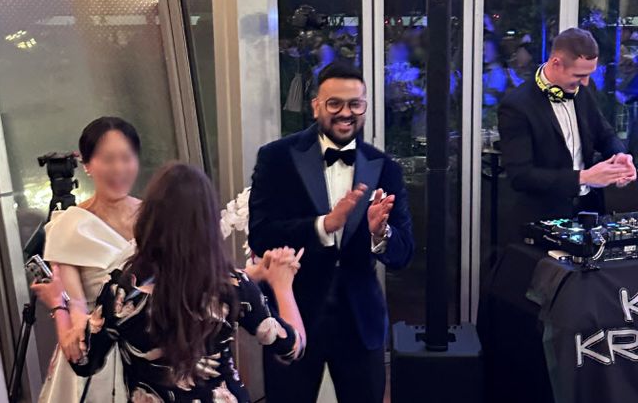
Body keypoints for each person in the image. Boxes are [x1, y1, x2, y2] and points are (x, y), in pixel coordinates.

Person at [32, 162, 306, 402]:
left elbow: (82, 361)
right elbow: (291, 347)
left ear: (149, 219)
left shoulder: (122, 293)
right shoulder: (232, 285)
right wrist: (282, 286)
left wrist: (58, 305)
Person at [248, 62, 414, 402]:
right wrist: (324, 225)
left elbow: (404, 254)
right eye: (334, 103)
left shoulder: (385, 167)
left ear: (365, 107)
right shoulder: (276, 158)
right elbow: (261, 236)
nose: (346, 113)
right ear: (316, 106)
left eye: (355, 104)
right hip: (294, 313)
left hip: (361, 322)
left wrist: (380, 234)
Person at [38, 117, 142, 403]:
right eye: (107, 159)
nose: (118, 168)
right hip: (98, 347)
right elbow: (77, 303)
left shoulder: (155, 216)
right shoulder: (67, 225)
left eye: (126, 158)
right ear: (86, 164)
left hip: (151, 345)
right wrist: (77, 331)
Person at [498, 28, 637, 230]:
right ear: (556, 63)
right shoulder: (517, 105)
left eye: (589, 74)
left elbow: (604, 134)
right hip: (543, 218)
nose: (585, 82)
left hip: (589, 210)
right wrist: (584, 177)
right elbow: (521, 176)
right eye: (579, 75)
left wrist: (620, 156)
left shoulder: (584, 88)